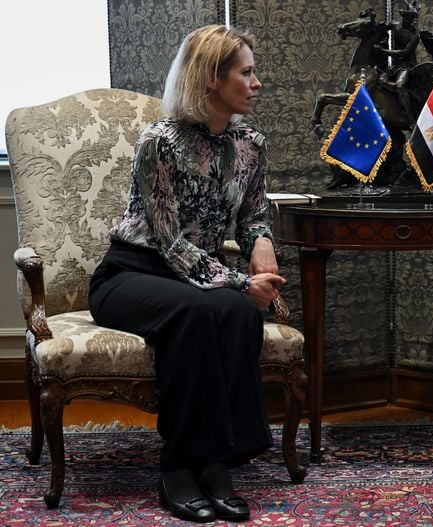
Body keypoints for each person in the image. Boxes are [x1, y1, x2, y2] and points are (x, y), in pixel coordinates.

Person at [89, 24, 283, 523]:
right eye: (246, 72)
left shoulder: (251, 144)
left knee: (238, 313)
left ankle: (217, 462)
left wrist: (262, 241)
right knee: (201, 310)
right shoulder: (160, 142)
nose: (257, 82)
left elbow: (254, 215)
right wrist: (240, 281)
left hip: (195, 276)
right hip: (131, 274)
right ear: (211, 78)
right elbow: (169, 243)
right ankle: (177, 465)